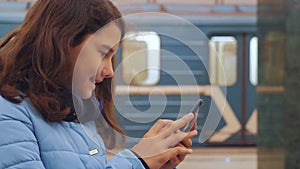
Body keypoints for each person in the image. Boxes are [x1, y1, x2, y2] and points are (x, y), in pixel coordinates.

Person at [0, 0, 198, 169]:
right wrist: (137, 161)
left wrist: (152, 163)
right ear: (63, 40)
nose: (110, 71)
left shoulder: (73, 115)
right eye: (104, 53)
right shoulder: (7, 114)